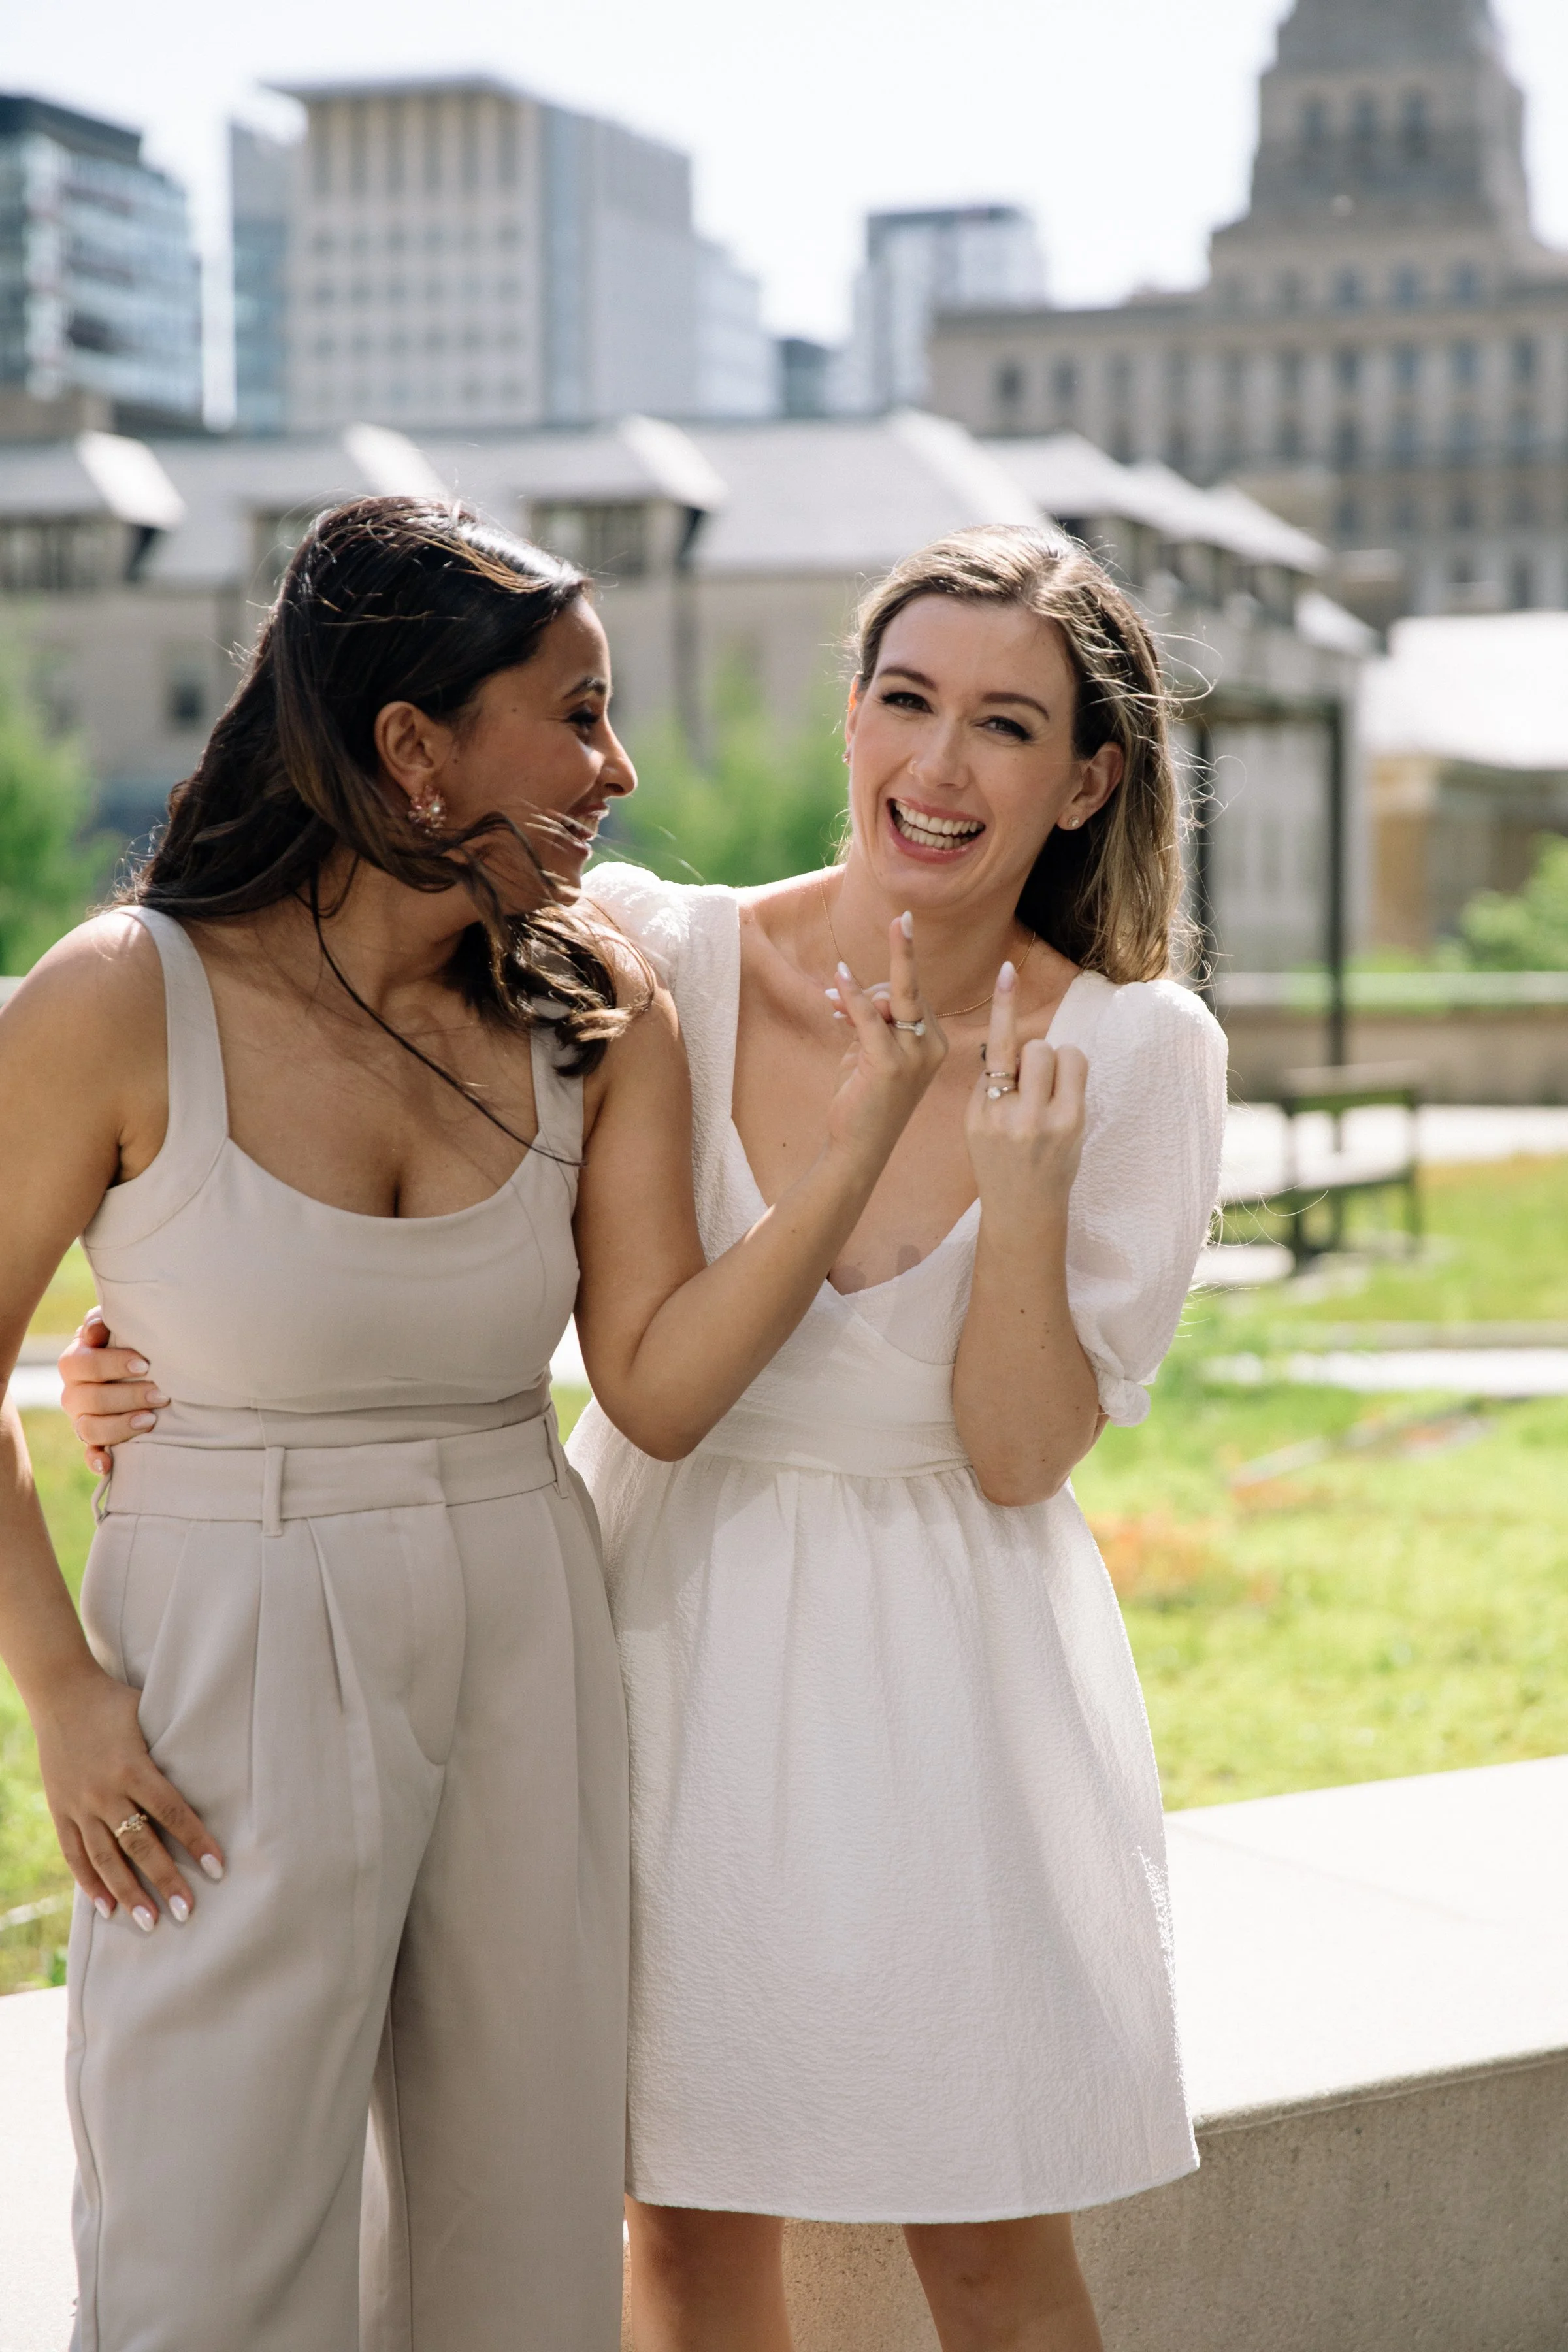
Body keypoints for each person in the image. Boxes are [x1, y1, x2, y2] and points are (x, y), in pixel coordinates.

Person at [63, 522, 1227, 2352]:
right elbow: (352, 1176)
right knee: (674, 2235)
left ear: (1088, 780)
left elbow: (1016, 1458)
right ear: (849, 718)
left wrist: (1023, 1193)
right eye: (905, 699)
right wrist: (152, 1363)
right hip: (656, 1634)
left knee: (993, 2242)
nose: (938, 762)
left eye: (1005, 727)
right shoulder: (644, 952)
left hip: (948, 1671)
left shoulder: (1142, 1053)